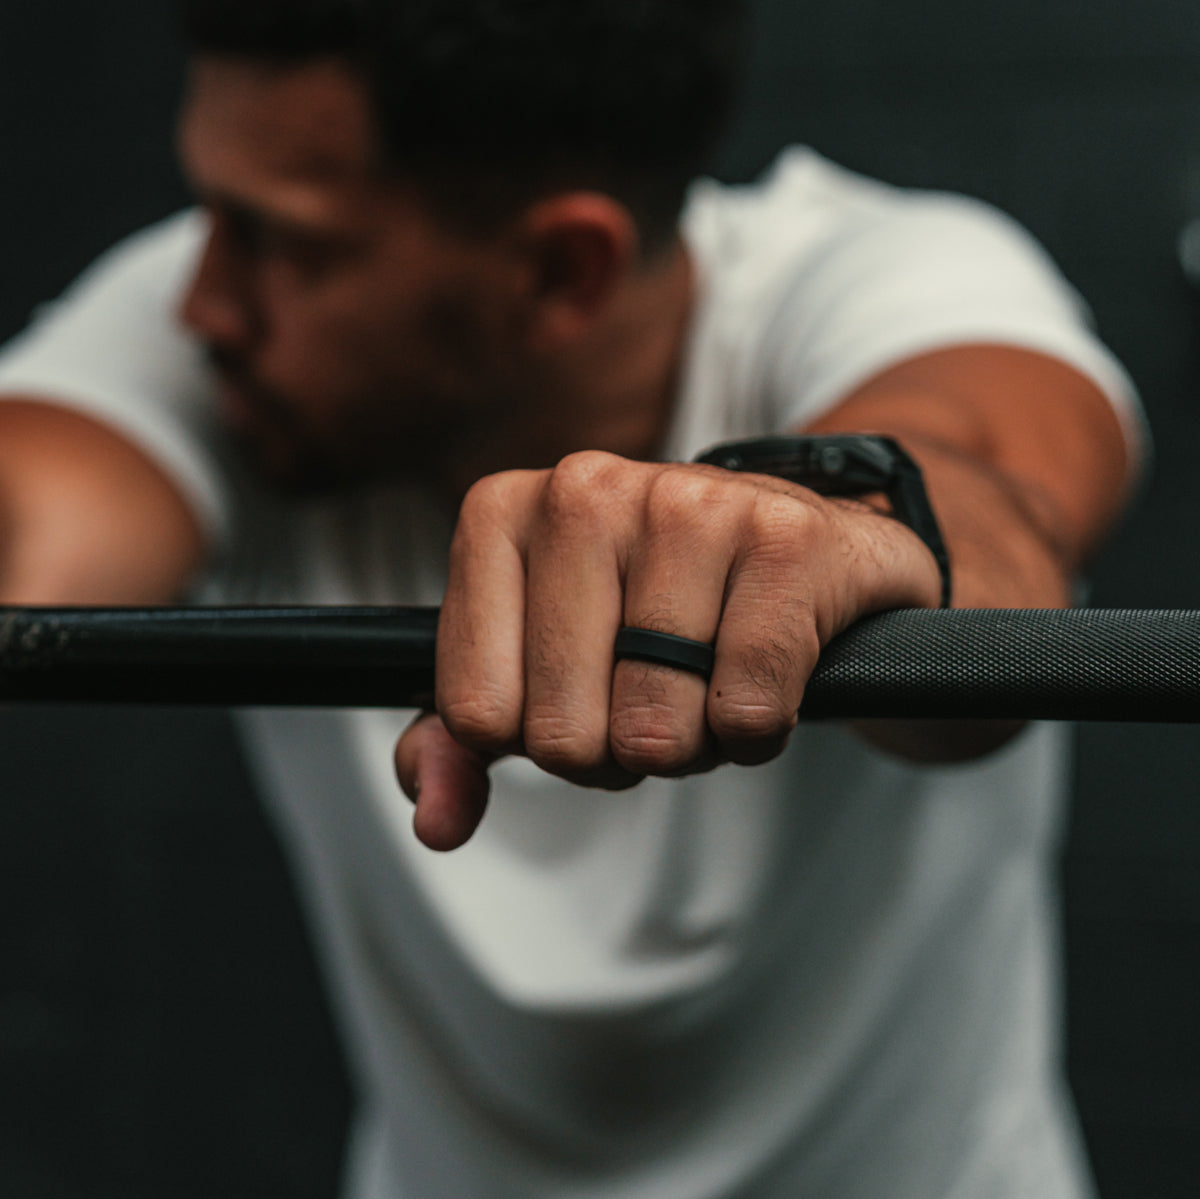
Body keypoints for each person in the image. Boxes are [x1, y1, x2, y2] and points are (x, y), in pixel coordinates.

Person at [0, 0, 1144, 1195]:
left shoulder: (892, 277)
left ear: (559, 269)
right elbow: (34, 521)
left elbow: (992, 526)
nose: (204, 304)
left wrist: (836, 536)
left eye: (291, 244)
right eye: (212, 216)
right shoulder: (223, 341)